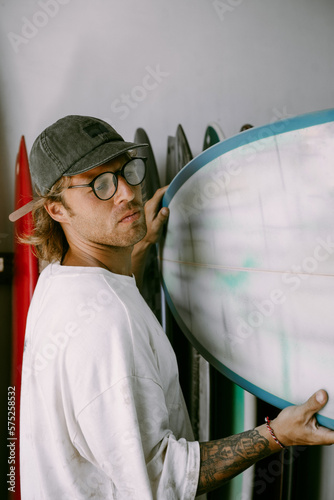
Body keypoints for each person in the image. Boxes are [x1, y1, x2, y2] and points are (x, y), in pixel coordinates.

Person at [11, 115, 334, 499]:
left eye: (126, 171)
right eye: (100, 185)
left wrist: (139, 249)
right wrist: (277, 435)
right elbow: (160, 479)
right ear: (57, 210)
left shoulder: (57, 281)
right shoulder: (105, 324)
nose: (127, 193)